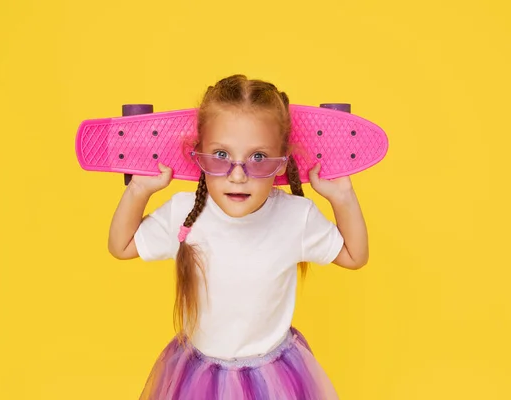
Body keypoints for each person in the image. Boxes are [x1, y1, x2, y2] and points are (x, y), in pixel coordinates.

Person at [108, 74, 369, 399]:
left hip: (274, 379)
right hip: (199, 379)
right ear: (197, 153)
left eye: (258, 157)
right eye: (220, 155)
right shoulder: (185, 212)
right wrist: (139, 189)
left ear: (281, 161)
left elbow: (355, 255)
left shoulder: (294, 216)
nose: (237, 174)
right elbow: (121, 245)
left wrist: (341, 196)